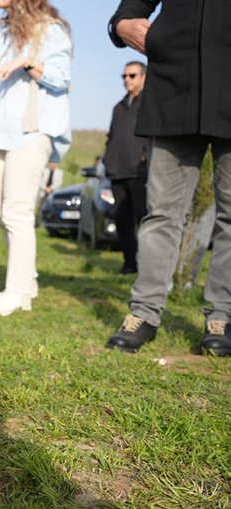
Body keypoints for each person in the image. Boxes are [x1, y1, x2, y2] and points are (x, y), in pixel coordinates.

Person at [105, 0, 231, 356]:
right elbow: (129, 11)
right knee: (162, 213)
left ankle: (221, 315)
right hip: (174, 90)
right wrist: (121, 23)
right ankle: (143, 313)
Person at [0, 0, 72, 316]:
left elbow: (61, 77)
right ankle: (27, 282)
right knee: (4, 213)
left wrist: (26, 61)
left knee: (17, 212)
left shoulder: (50, 30)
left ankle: (15, 292)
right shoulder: (3, 32)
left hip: (30, 132)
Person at [102, 60, 149, 276]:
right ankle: (129, 263)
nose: (126, 80)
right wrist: (107, 159)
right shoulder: (118, 107)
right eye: (124, 76)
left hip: (140, 172)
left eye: (132, 76)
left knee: (144, 219)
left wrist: (145, 158)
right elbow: (111, 137)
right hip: (117, 171)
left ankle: (148, 267)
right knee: (122, 220)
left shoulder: (150, 104)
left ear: (143, 77)